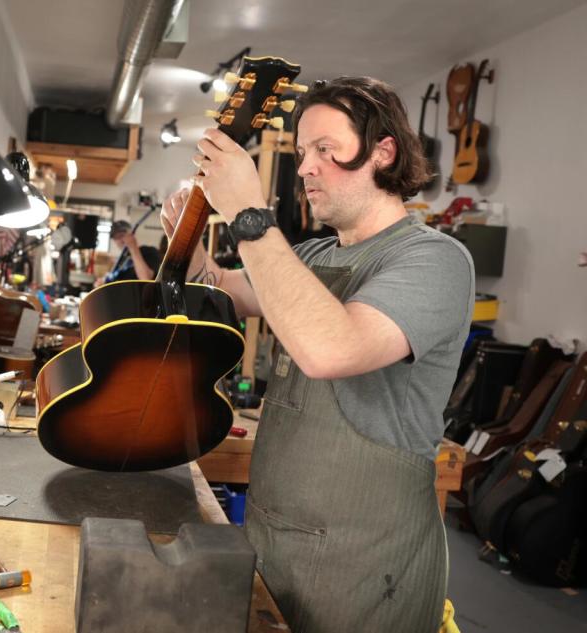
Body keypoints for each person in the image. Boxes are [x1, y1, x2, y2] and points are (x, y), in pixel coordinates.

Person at [161, 77, 474, 632]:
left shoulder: (434, 260)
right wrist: (188, 250)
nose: (305, 168)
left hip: (366, 566)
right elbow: (226, 287)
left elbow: (330, 348)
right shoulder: (311, 253)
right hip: (275, 542)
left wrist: (250, 214)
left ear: (383, 152)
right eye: (304, 151)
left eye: (325, 150)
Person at [94, 220, 162, 286]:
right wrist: (104, 282)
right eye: (116, 238)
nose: (120, 240)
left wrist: (133, 247)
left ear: (132, 234)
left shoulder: (149, 251)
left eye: (122, 235)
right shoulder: (121, 260)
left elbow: (146, 278)